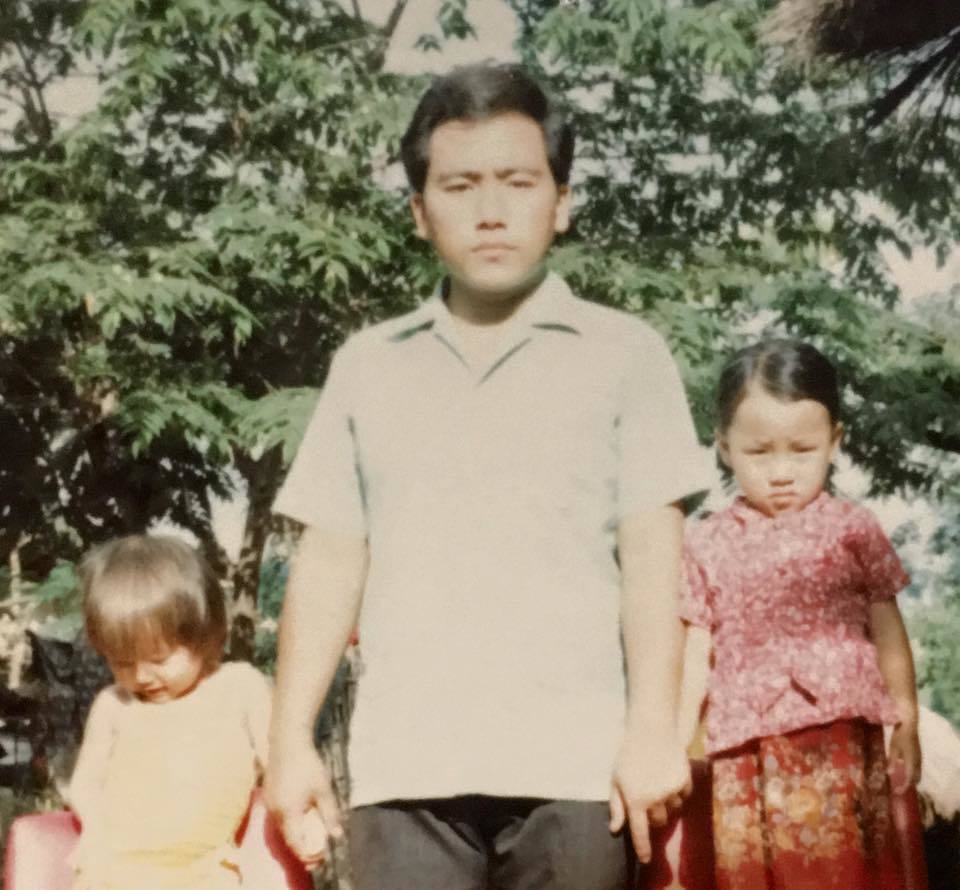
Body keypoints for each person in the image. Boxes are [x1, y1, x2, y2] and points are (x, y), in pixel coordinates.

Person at [266, 62, 713, 889]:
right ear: (418, 212)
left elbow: (655, 560)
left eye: (518, 180)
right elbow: (329, 562)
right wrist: (290, 743)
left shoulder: (626, 354)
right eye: (460, 185)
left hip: (577, 774)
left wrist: (651, 730)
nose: (492, 210)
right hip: (407, 775)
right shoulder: (367, 366)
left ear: (563, 201)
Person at [678, 339, 925, 889]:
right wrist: (675, 741)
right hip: (745, 750)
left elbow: (887, 628)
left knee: (846, 872)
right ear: (723, 447)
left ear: (834, 443)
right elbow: (695, 648)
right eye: (759, 452)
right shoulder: (706, 542)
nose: (782, 471)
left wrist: (905, 717)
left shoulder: (853, 527)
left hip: (841, 745)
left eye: (802, 449)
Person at [67, 535, 274, 890]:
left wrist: (302, 819)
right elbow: (86, 782)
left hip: (203, 869)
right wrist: (96, 833)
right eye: (122, 663)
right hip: (116, 869)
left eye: (159, 660)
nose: (142, 676)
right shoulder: (114, 706)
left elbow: (280, 764)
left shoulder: (240, 688)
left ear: (206, 635)